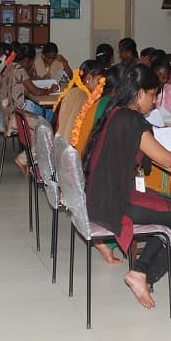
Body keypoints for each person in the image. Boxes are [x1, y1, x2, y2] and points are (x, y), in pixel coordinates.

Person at [84, 64, 171, 309]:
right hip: (118, 202)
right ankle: (143, 274)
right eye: (152, 95)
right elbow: (167, 159)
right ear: (139, 94)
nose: (155, 102)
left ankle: (141, 271)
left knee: (169, 206)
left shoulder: (116, 111)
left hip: (100, 196)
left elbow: (152, 148)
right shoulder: (131, 119)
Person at [52, 60, 119, 264]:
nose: (101, 86)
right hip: (75, 164)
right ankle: (105, 236)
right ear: (88, 79)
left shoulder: (73, 92)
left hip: (63, 159)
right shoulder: (88, 99)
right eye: (99, 81)